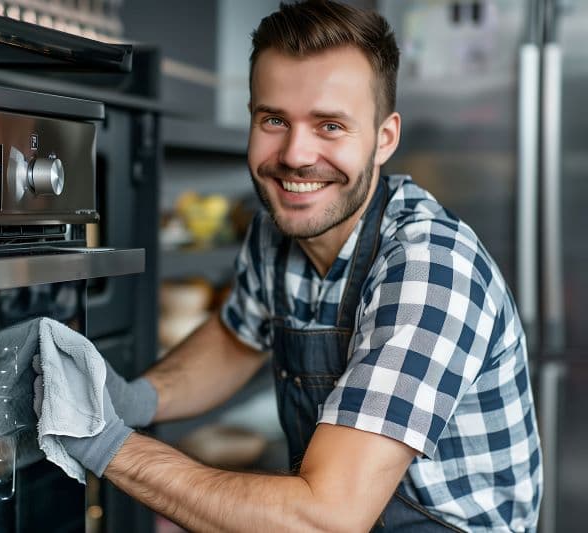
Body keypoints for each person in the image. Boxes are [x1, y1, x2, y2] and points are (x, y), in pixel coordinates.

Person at [52, 1, 543, 531]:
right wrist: (134, 399)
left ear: (385, 138)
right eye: (274, 120)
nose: (293, 155)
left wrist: (104, 442)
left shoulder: (430, 270)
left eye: (329, 125)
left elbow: (325, 517)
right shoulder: (279, 228)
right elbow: (235, 338)